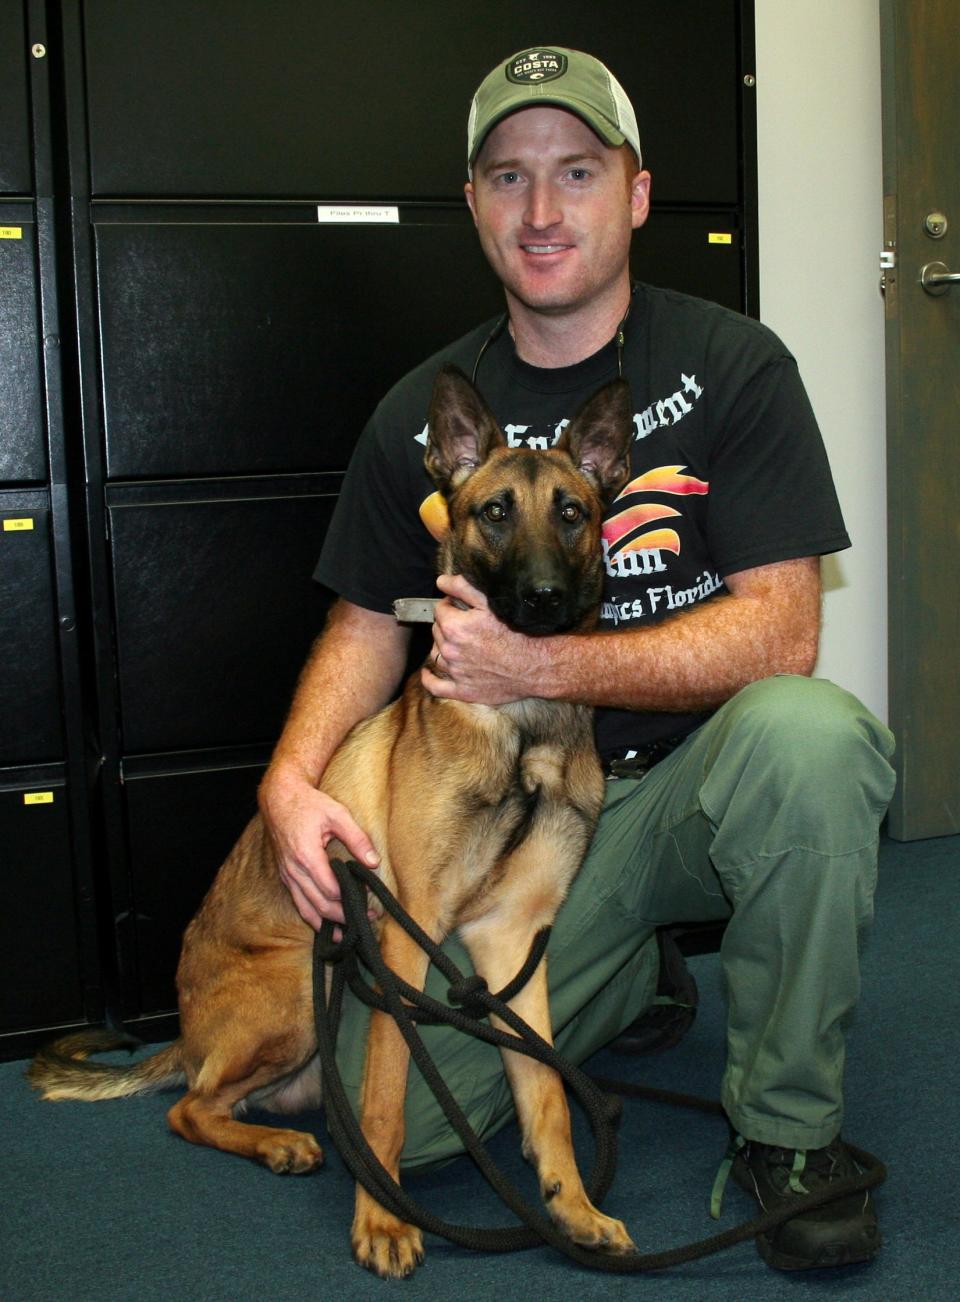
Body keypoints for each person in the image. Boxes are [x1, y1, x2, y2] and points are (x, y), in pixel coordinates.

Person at [258, 46, 896, 1272]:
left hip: (696, 789)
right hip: (531, 816)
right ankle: (630, 972)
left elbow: (783, 633)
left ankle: (791, 1133)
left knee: (815, 736)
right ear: (476, 206)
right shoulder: (420, 416)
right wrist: (288, 783)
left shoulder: (736, 365)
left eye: (576, 172)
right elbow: (363, 626)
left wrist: (539, 669)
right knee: (399, 1119)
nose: (542, 212)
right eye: (508, 177)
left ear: (638, 193)